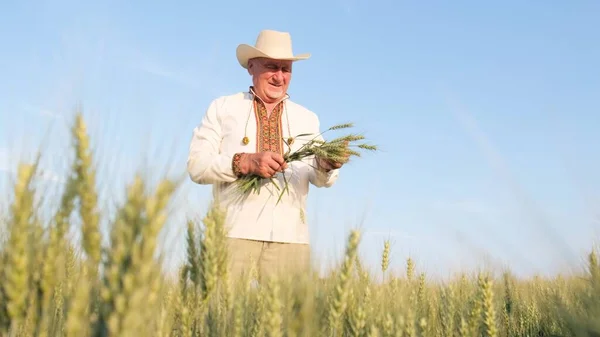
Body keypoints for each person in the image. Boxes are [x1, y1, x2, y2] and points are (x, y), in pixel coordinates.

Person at [187, 29, 346, 280]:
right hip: (231, 234)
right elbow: (197, 165)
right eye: (272, 67)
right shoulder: (223, 107)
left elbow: (322, 179)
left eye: (286, 69)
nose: (279, 77)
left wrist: (327, 164)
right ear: (251, 67)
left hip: (290, 239)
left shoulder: (307, 118)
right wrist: (244, 162)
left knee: (290, 320)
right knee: (223, 318)